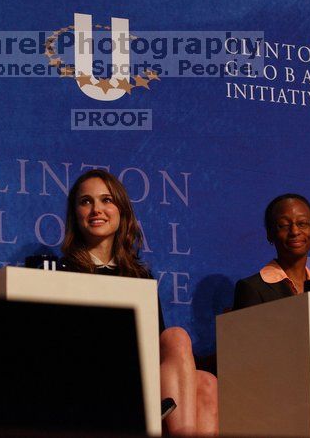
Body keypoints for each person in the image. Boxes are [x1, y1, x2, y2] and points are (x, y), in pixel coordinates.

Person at [61, 169, 218, 436]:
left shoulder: (139, 275)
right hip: (92, 378)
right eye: (86, 201)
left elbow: (158, 343)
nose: (96, 209)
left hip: (141, 375)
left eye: (106, 200)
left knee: (205, 380)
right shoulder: (64, 271)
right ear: (75, 215)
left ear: (121, 211)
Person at [233, 193, 310, 310]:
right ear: (270, 234)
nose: (294, 231)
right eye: (283, 225)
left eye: (302, 224)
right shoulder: (253, 288)